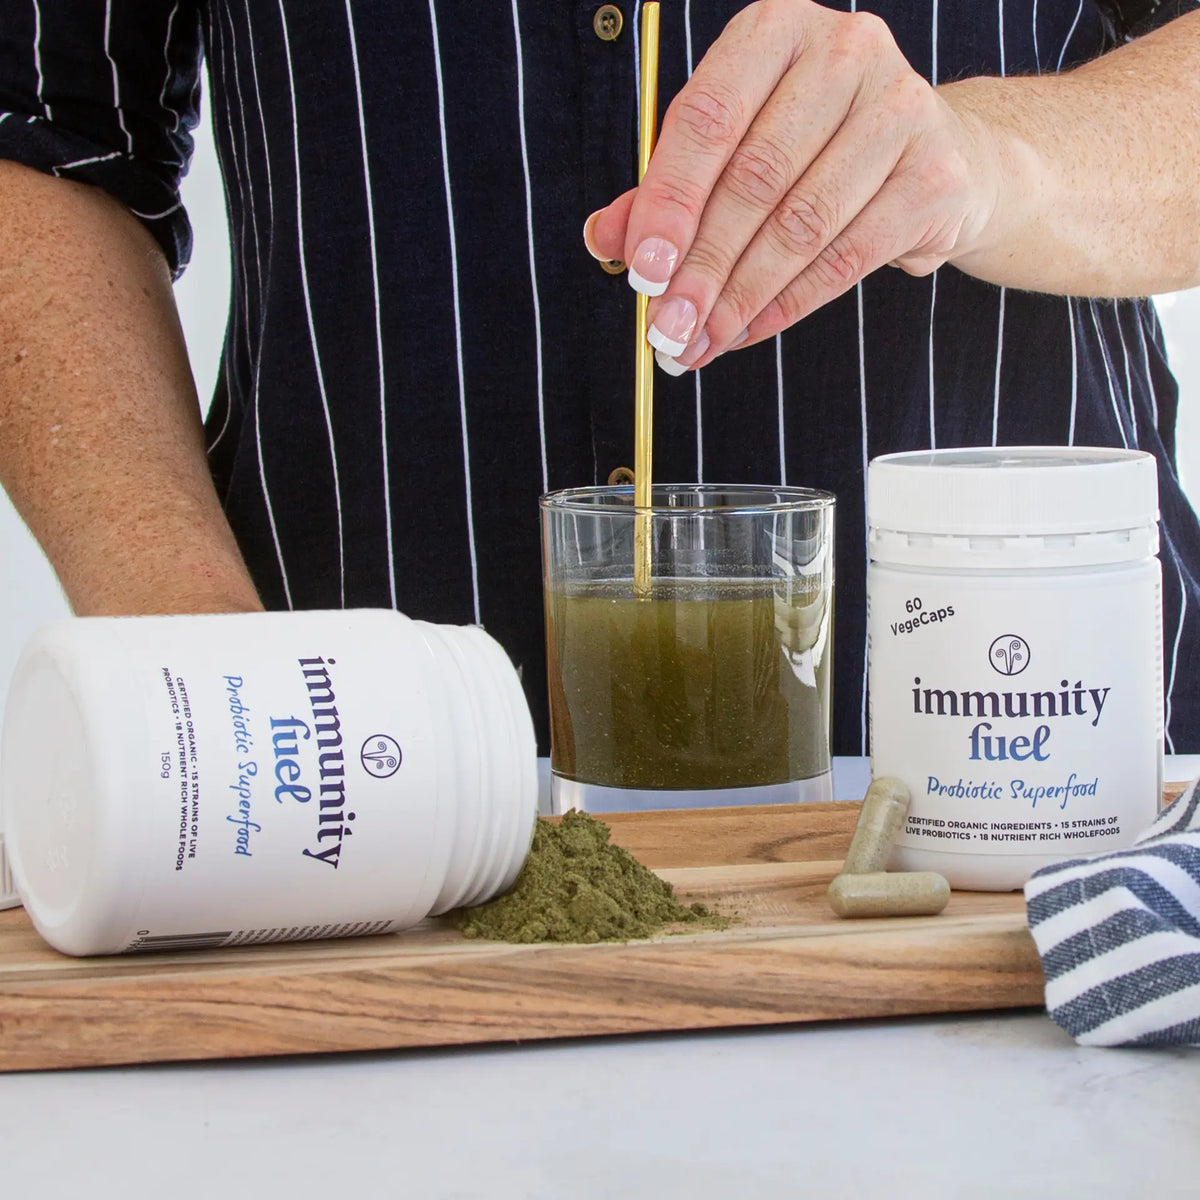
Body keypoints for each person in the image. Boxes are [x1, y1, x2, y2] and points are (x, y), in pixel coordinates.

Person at [0, 0, 1196, 759]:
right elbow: (36, 129)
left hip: (1055, 776)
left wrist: (995, 160)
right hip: (340, 777)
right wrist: (197, 645)